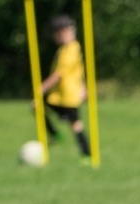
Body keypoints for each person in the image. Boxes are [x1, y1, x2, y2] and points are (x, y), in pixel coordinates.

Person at [39, 14, 91, 160]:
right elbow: (79, 70)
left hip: (68, 95)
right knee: (38, 106)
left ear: (62, 32)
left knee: (76, 125)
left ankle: (86, 153)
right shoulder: (66, 48)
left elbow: (59, 74)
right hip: (60, 95)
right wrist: (83, 86)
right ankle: (55, 133)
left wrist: (42, 88)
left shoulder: (71, 49)